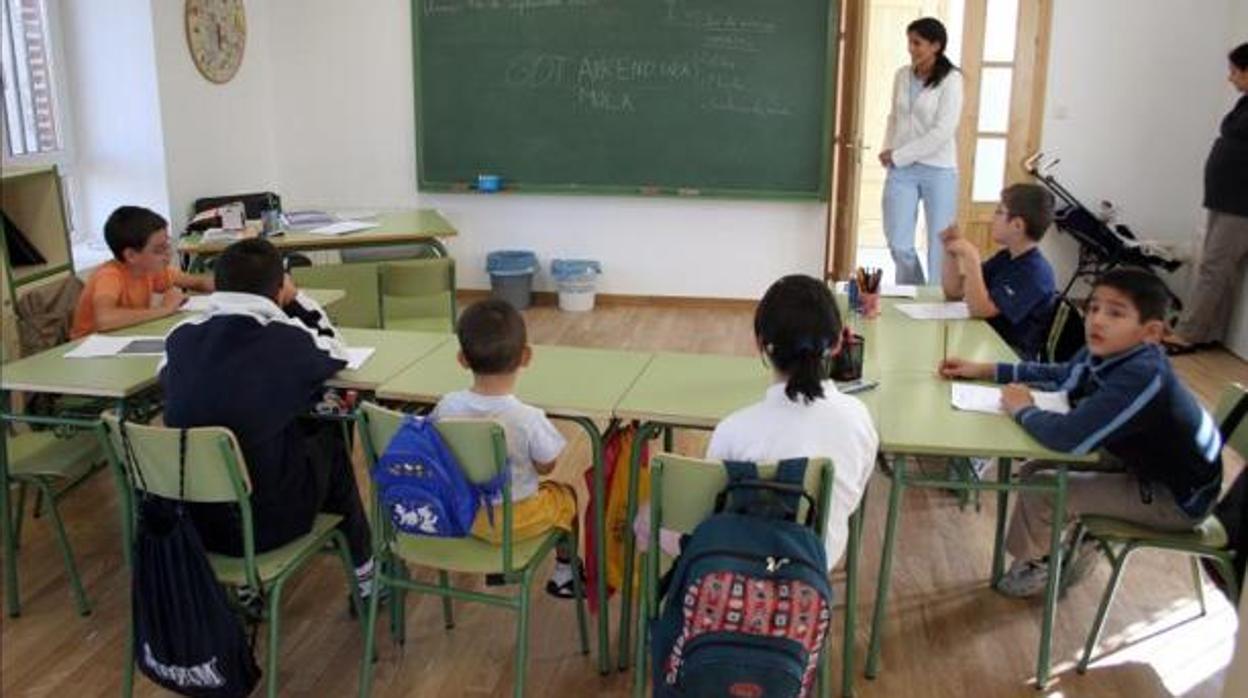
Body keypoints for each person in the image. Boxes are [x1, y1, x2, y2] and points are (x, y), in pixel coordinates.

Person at [940, 268, 1223, 597]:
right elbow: (1063, 374)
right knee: (1034, 469)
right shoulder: (1109, 350)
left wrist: (1022, 410)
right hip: (1139, 465)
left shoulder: (1143, 375)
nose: (1097, 320)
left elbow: (1069, 439)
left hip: (1176, 498)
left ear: (1151, 332)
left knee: (1044, 487)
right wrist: (987, 369)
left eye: (1115, 312)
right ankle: (1060, 547)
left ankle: (1041, 566)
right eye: (1093, 308)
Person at [159, 238, 375, 603]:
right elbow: (337, 352)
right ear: (279, 289)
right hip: (266, 524)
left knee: (257, 428)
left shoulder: (179, 338)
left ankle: (247, 586)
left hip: (192, 521)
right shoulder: (287, 341)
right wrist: (299, 299)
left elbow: (170, 380)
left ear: (217, 283)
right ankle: (366, 573)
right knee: (330, 435)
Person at [635, 275, 879, 570]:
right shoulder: (859, 418)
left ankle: (683, 600)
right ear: (839, 341)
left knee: (647, 516)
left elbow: (711, 514)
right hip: (816, 560)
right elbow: (851, 499)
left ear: (760, 344)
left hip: (738, 564)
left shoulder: (734, 430)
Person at [432, 298, 582, 598]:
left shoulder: (446, 406)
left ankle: (498, 567)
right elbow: (546, 466)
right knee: (567, 497)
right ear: (526, 357)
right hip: (515, 520)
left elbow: (437, 452)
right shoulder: (527, 417)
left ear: (462, 359)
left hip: (464, 515)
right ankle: (565, 573)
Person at [1166, 42, 1248, 354]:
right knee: (1220, 270)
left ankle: (1187, 334)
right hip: (1225, 198)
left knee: (1214, 267)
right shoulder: (1244, 103)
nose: (1230, 78)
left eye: (1235, 71)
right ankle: (1210, 332)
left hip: (1241, 204)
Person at [880, 17, 963, 286]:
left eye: (917, 43)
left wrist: (900, 155)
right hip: (901, 170)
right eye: (909, 42)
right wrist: (887, 148)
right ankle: (914, 294)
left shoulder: (952, 80)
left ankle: (936, 302)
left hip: (938, 169)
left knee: (938, 247)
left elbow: (942, 132)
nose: (911, 48)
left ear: (936, 45)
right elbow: (895, 117)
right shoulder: (902, 75)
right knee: (898, 243)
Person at [942, 183, 1058, 359]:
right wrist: (950, 251)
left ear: (1017, 225)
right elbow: (955, 291)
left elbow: (981, 310)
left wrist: (971, 257)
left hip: (1011, 354)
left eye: (999, 212)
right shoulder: (1006, 257)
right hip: (987, 340)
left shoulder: (1034, 272)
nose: (992, 218)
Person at [70, 206, 213, 338]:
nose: (168, 254)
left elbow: (198, 282)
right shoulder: (109, 276)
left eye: (167, 245)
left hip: (123, 338)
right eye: (158, 250)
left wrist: (231, 283)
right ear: (131, 255)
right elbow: (105, 320)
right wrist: (165, 309)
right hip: (88, 348)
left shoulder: (150, 269)